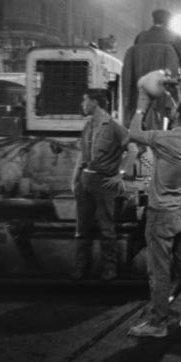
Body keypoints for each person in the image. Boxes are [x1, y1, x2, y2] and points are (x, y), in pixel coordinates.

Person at [127, 94, 181, 338]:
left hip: (161, 214)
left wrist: (141, 106)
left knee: (159, 272)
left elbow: (133, 132)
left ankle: (158, 323)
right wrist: (175, 102)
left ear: (180, 116)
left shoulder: (166, 138)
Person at [71, 89, 137, 281]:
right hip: (86, 180)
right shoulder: (88, 126)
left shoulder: (114, 126)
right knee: (82, 228)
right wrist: (74, 178)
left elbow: (132, 150)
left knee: (106, 227)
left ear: (95, 102)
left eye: (85, 100)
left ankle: (110, 270)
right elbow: (81, 155)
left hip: (104, 182)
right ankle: (80, 269)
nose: (82, 105)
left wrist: (121, 174)